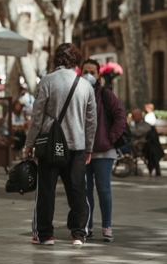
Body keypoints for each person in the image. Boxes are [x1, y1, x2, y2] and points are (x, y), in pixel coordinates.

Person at [24, 43, 97, 247]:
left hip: (49, 145)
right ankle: (78, 233)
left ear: (56, 59)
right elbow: (92, 121)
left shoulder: (47, 81)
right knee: (78, 191)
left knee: (46, 191)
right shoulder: (86, 86)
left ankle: (45, 234)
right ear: (76, 60)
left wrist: (29, 143)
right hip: (76, 146)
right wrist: (89, 147)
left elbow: (37, 116)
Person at [80, 59, 126, 242]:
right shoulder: (78, 93)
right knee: (85, 191)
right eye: (85, 71)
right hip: (83, 150)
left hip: (103, 151)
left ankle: (107, 226)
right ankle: (87, 225)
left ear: (98, 75)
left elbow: (120, 117)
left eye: (92, 71)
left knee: (103, 189)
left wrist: (109, 139)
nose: (89, 75)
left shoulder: (106, 94)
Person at [130, 108, 164, 176]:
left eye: (134, 116)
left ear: (139, 116)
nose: (132, 118)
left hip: (140, 145)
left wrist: (128, 130)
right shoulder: (132, 124)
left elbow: (137, 133)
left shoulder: (146, 125)